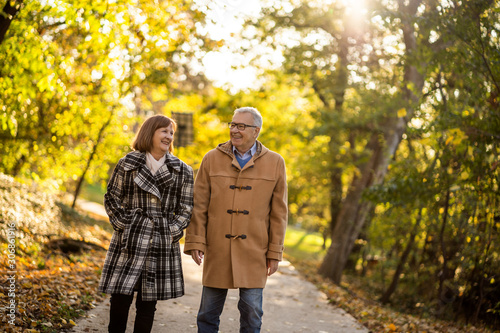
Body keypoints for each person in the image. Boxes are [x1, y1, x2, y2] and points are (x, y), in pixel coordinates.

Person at [184, 106, 288, 333]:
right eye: (233, 124)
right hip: (218, 247)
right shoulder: (211, 158)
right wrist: (195, 242)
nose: (235, 130)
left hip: (255, 251)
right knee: (207, 314)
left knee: (252, 315)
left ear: (256, 130)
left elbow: (279, 214)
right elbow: (198, 205)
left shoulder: (276, 162)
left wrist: (274, 253)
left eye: (242, 126)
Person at [98, 114, 194, 333]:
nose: (169, 136)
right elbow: (111, 197)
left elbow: (186, 208)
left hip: (160, 241)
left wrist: (171, 231)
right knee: (120, 298)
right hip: (130, 239)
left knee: (148, 302)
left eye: (171, 133)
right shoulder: (127, 163)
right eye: (164, 131)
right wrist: (123, 223)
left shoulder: (183, 170)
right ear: (149, 132)